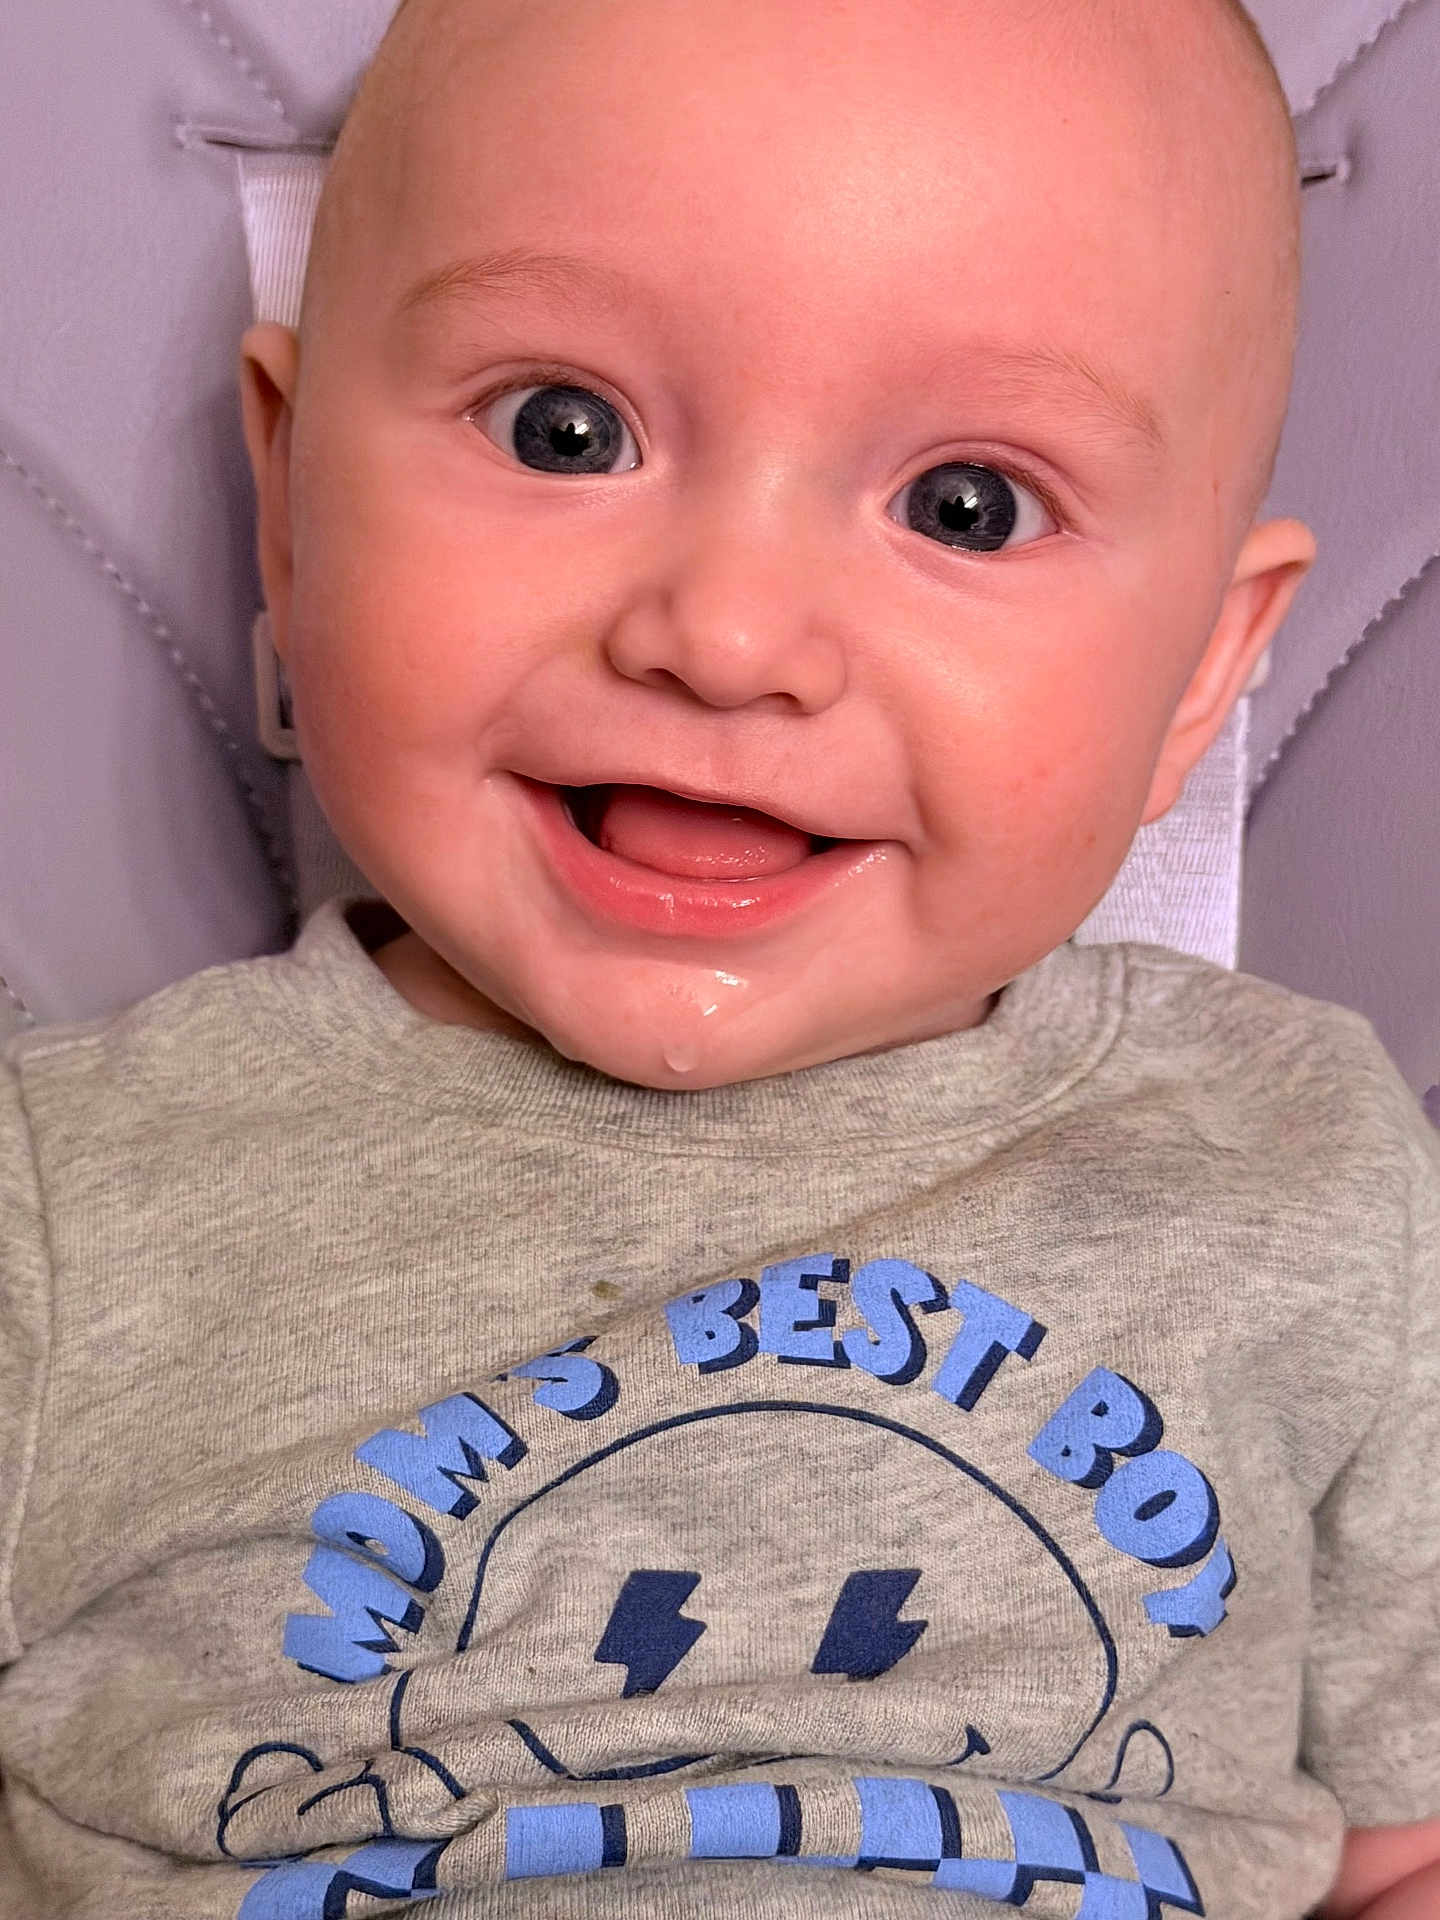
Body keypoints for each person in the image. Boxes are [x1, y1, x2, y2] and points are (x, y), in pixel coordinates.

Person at [0, 0, 1435, 1911]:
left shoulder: (1309, 1169)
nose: (732, 633)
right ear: (288, 499)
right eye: (563, 429)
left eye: (968, 507)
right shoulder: (70, 1200)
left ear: (1200, 676)